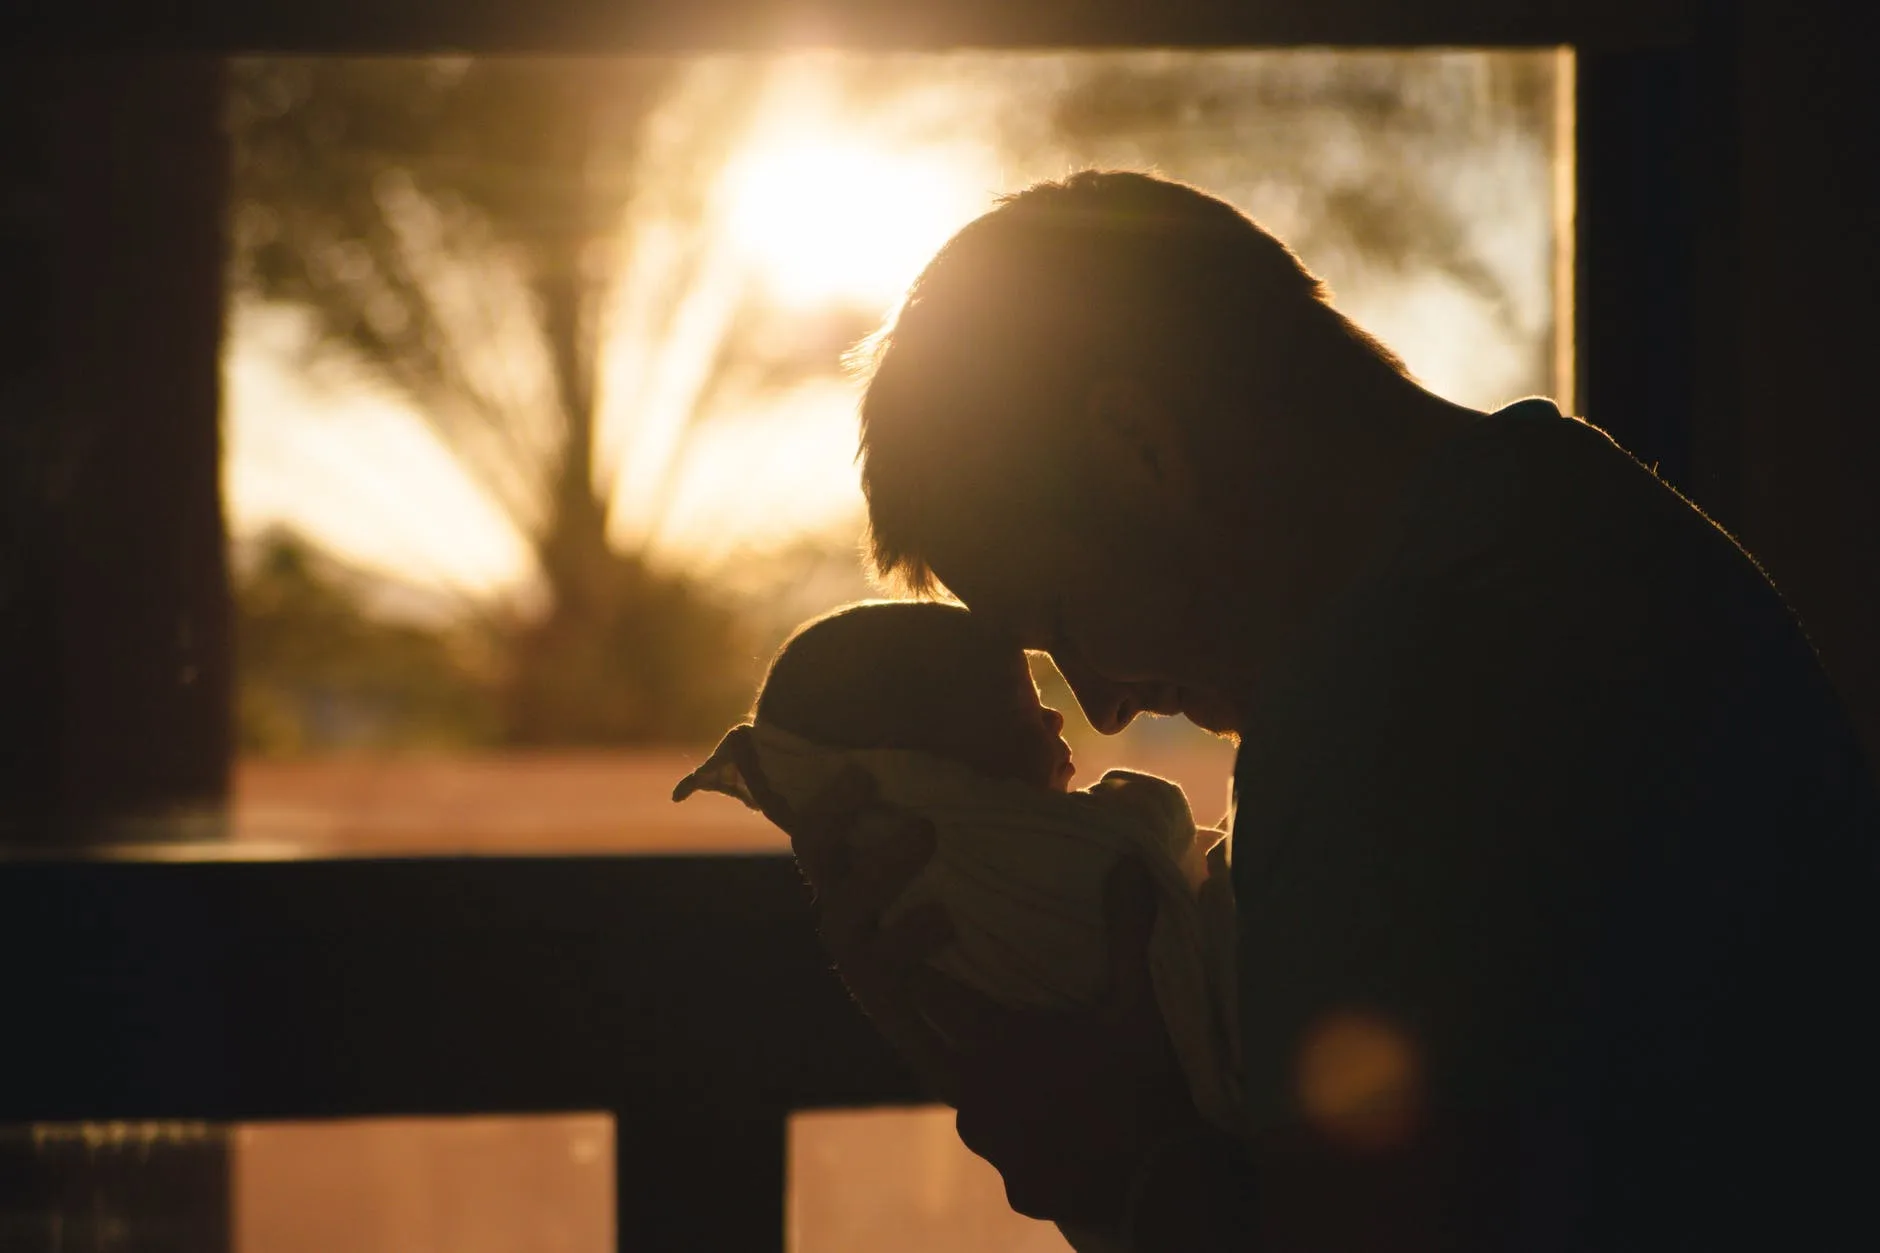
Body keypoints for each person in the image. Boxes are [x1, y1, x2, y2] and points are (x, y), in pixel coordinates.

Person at [780, 170, 1880, 1250]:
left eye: (1062, 616)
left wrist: (1114, 1152)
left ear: (1140, 450)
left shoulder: (1386, 696)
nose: (1103, 708)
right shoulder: (1586, 525)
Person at [672, 598, 1241, 1253]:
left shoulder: (912, 905)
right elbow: (1154, 839)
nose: (1076, 708)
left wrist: (1145, 1178)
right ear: (934, 775)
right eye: (1021, 707)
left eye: (1067, 613)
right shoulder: (1008, 868)